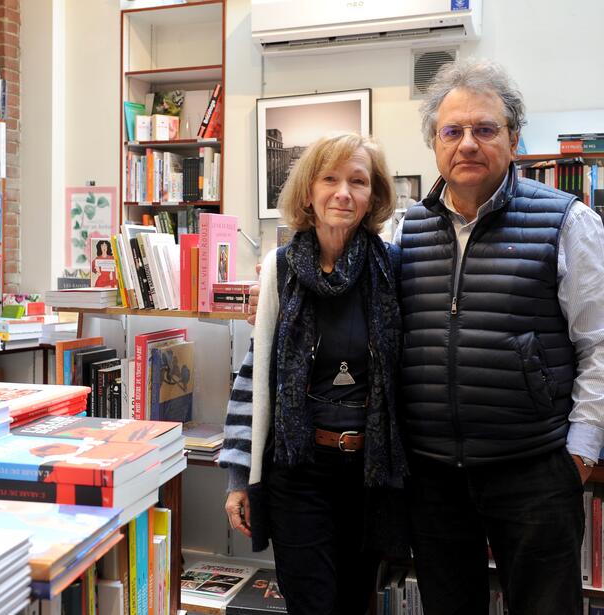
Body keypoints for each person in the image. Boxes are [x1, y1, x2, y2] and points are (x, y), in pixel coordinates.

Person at [397, 58, 604, 614]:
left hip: (534, 470)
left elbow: (599, 345)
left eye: (485, 129)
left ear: (513, 138)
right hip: (433, 475)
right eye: (453, 131)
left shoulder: (567, 221)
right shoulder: (405, 229)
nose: (468, 143)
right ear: (435, 143)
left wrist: (580, 453)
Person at [219, 132, 409, 615]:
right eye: (330, 178)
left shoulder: (394, 268)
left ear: (374, 197)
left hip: (369, 473)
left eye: (358, 181)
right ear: (308, 191)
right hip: (298, 470)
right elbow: (254, 376)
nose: (343, 192)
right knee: (310, 604)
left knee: (353, 601)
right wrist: (239, 477)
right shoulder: (279, 269)